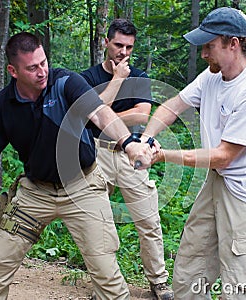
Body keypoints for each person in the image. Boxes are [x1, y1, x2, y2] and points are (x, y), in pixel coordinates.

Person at [0, 32, 153, 300]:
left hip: (83, 186)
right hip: (35, 192)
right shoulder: (2, 106)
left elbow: (100, 112)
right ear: (13, 70)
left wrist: (128, 142)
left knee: (106, 274)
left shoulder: (65, 82)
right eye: (32, 67)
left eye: (43, 62)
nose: (42, 71)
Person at [141, 7, 246, 299]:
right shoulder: (212, 77)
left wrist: (163, 155)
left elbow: (223, 156)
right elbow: (173, 106)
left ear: (233, 43)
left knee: (240, 290)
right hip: (216, 184)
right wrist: (145, 138)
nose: (204, 53)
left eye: (210, 46)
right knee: (188, 275)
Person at [80, 19, 174, 300]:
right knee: (98, 223)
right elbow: (87, 115)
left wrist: (102, 117)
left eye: (129, 47)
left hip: (131, 153)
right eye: (118, 45)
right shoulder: (87, 78)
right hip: (97, 153)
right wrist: (117, 81)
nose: (124, 52)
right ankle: (106, 285)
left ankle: (158, 282)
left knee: (148, 220)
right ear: (106, 42)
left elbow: (141, 115)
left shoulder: (140, 75)